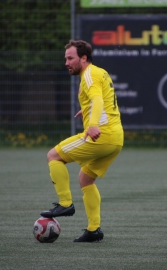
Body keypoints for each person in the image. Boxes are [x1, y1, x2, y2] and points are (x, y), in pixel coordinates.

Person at [40, 40, 124, 242]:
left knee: (53, 155)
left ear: (83, 58)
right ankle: (94, 230)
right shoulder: (99, 72)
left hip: (101, 135)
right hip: (116, 138)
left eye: (70, 58)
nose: (67, 62)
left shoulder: (88, 75)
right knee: (86, 179)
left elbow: (97, 100)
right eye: (65, 59)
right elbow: (102, 99)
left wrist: (92, 124)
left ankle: (65, 203)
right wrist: (86, 110)